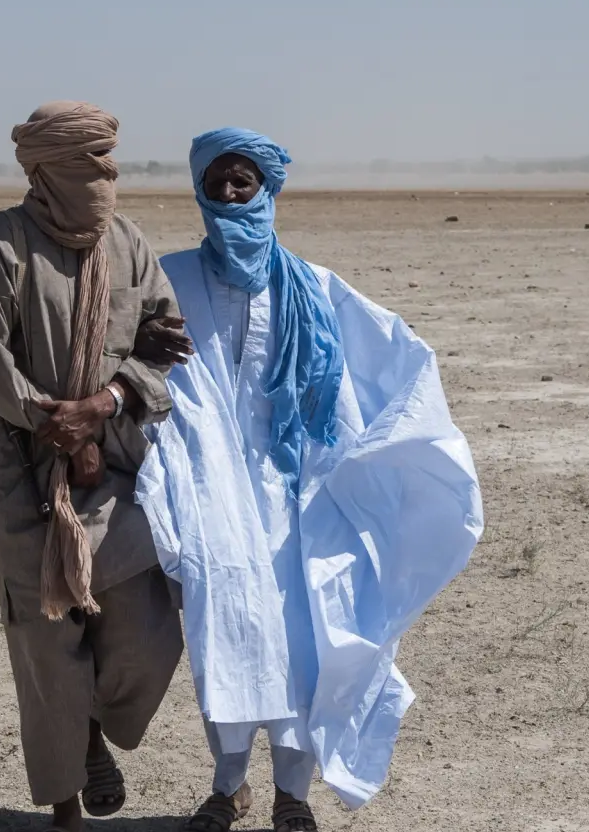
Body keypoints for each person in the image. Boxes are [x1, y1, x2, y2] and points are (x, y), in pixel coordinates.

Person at [136, 128, 484, 832]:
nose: (231, 194)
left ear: (269, 189)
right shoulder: (167, 283)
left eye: (245, 182)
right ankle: (228, 785)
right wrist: (144, 343)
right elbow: (117, 350)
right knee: (226, 634)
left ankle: (292, 794)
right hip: (212, 495)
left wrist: (375, 458)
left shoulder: (317, 287)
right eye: (217, 183)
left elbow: (402, 362)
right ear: (199, 192)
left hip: (302, 496)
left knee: (303, 643)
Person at [0, 101, 196, 832]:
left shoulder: (127, 243)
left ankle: (94, 728)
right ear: (46, 170)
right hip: (26, 473)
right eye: (89, 164)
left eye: (109, 162)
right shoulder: (2, 244)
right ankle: (66, 806)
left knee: (148, 635)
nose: (105, 176)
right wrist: (55, 422)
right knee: (48, 644)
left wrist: (106, 403)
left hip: (118, 462)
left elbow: (164, 344)